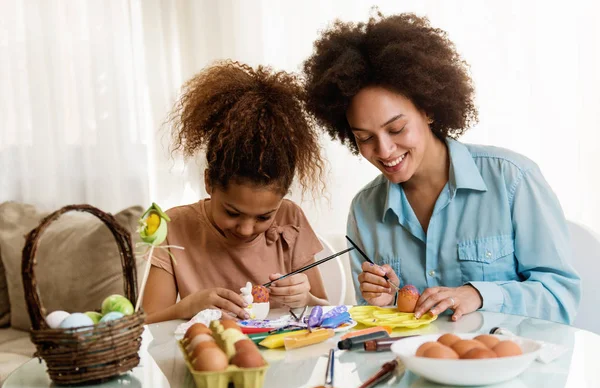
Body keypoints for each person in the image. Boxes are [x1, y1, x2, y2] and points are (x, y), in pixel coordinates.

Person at [302, 12, 580, 324]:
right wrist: (384, 303)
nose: (384, 151)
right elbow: (376, 330)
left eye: (396, 129)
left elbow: (561, 298)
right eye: (365, 138)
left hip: (508, 367)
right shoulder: (365, 211)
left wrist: (478, 295)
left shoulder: (512, 179)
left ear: (429, 110)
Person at [143, 61, 329, 324]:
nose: (245, 229)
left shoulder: (290, 218)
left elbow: (326, 310)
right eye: (232, 212)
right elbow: (148, 324)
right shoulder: (172, 228)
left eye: (264, 217)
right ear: (209, 182)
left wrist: (306, 299)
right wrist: (188, 306)